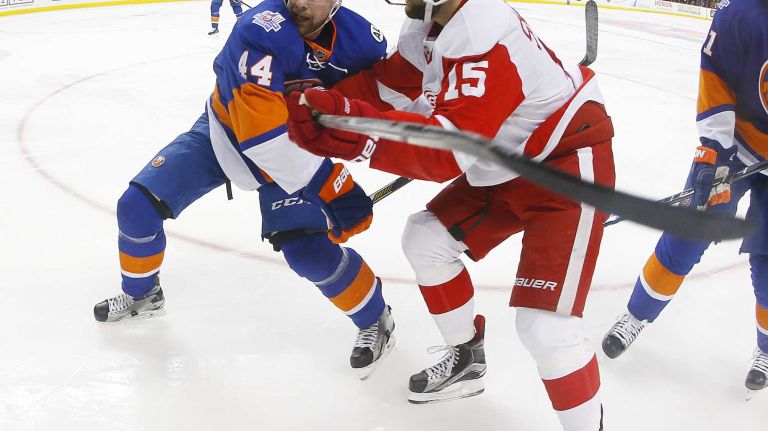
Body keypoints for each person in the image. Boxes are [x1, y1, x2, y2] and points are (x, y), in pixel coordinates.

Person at [286, 0, 615, 428]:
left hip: (565, 165)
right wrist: (320, 105)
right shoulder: (429, 23)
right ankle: (467, 359)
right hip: (506, 161)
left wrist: (350, 132)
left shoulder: (485, 34)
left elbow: (446, 154)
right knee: (425, 239)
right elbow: (386, 87)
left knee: (545, 328)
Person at [93, 0, 396, 379]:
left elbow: (392, 100)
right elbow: (261, 137)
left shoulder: (364, 42)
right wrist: (333, 185)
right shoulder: (260, 28)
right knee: (136, 207)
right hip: (228, 132)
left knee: (309, 253)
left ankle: (375, 318)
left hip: (296, 146)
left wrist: (446, 138)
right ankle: (142, 295)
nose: (299, 3)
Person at [602, 0, 768, 393]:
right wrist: (714, 150)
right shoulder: (742, 15)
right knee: (687, 234)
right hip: (736, 146)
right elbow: (717, 79)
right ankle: (636, 315)